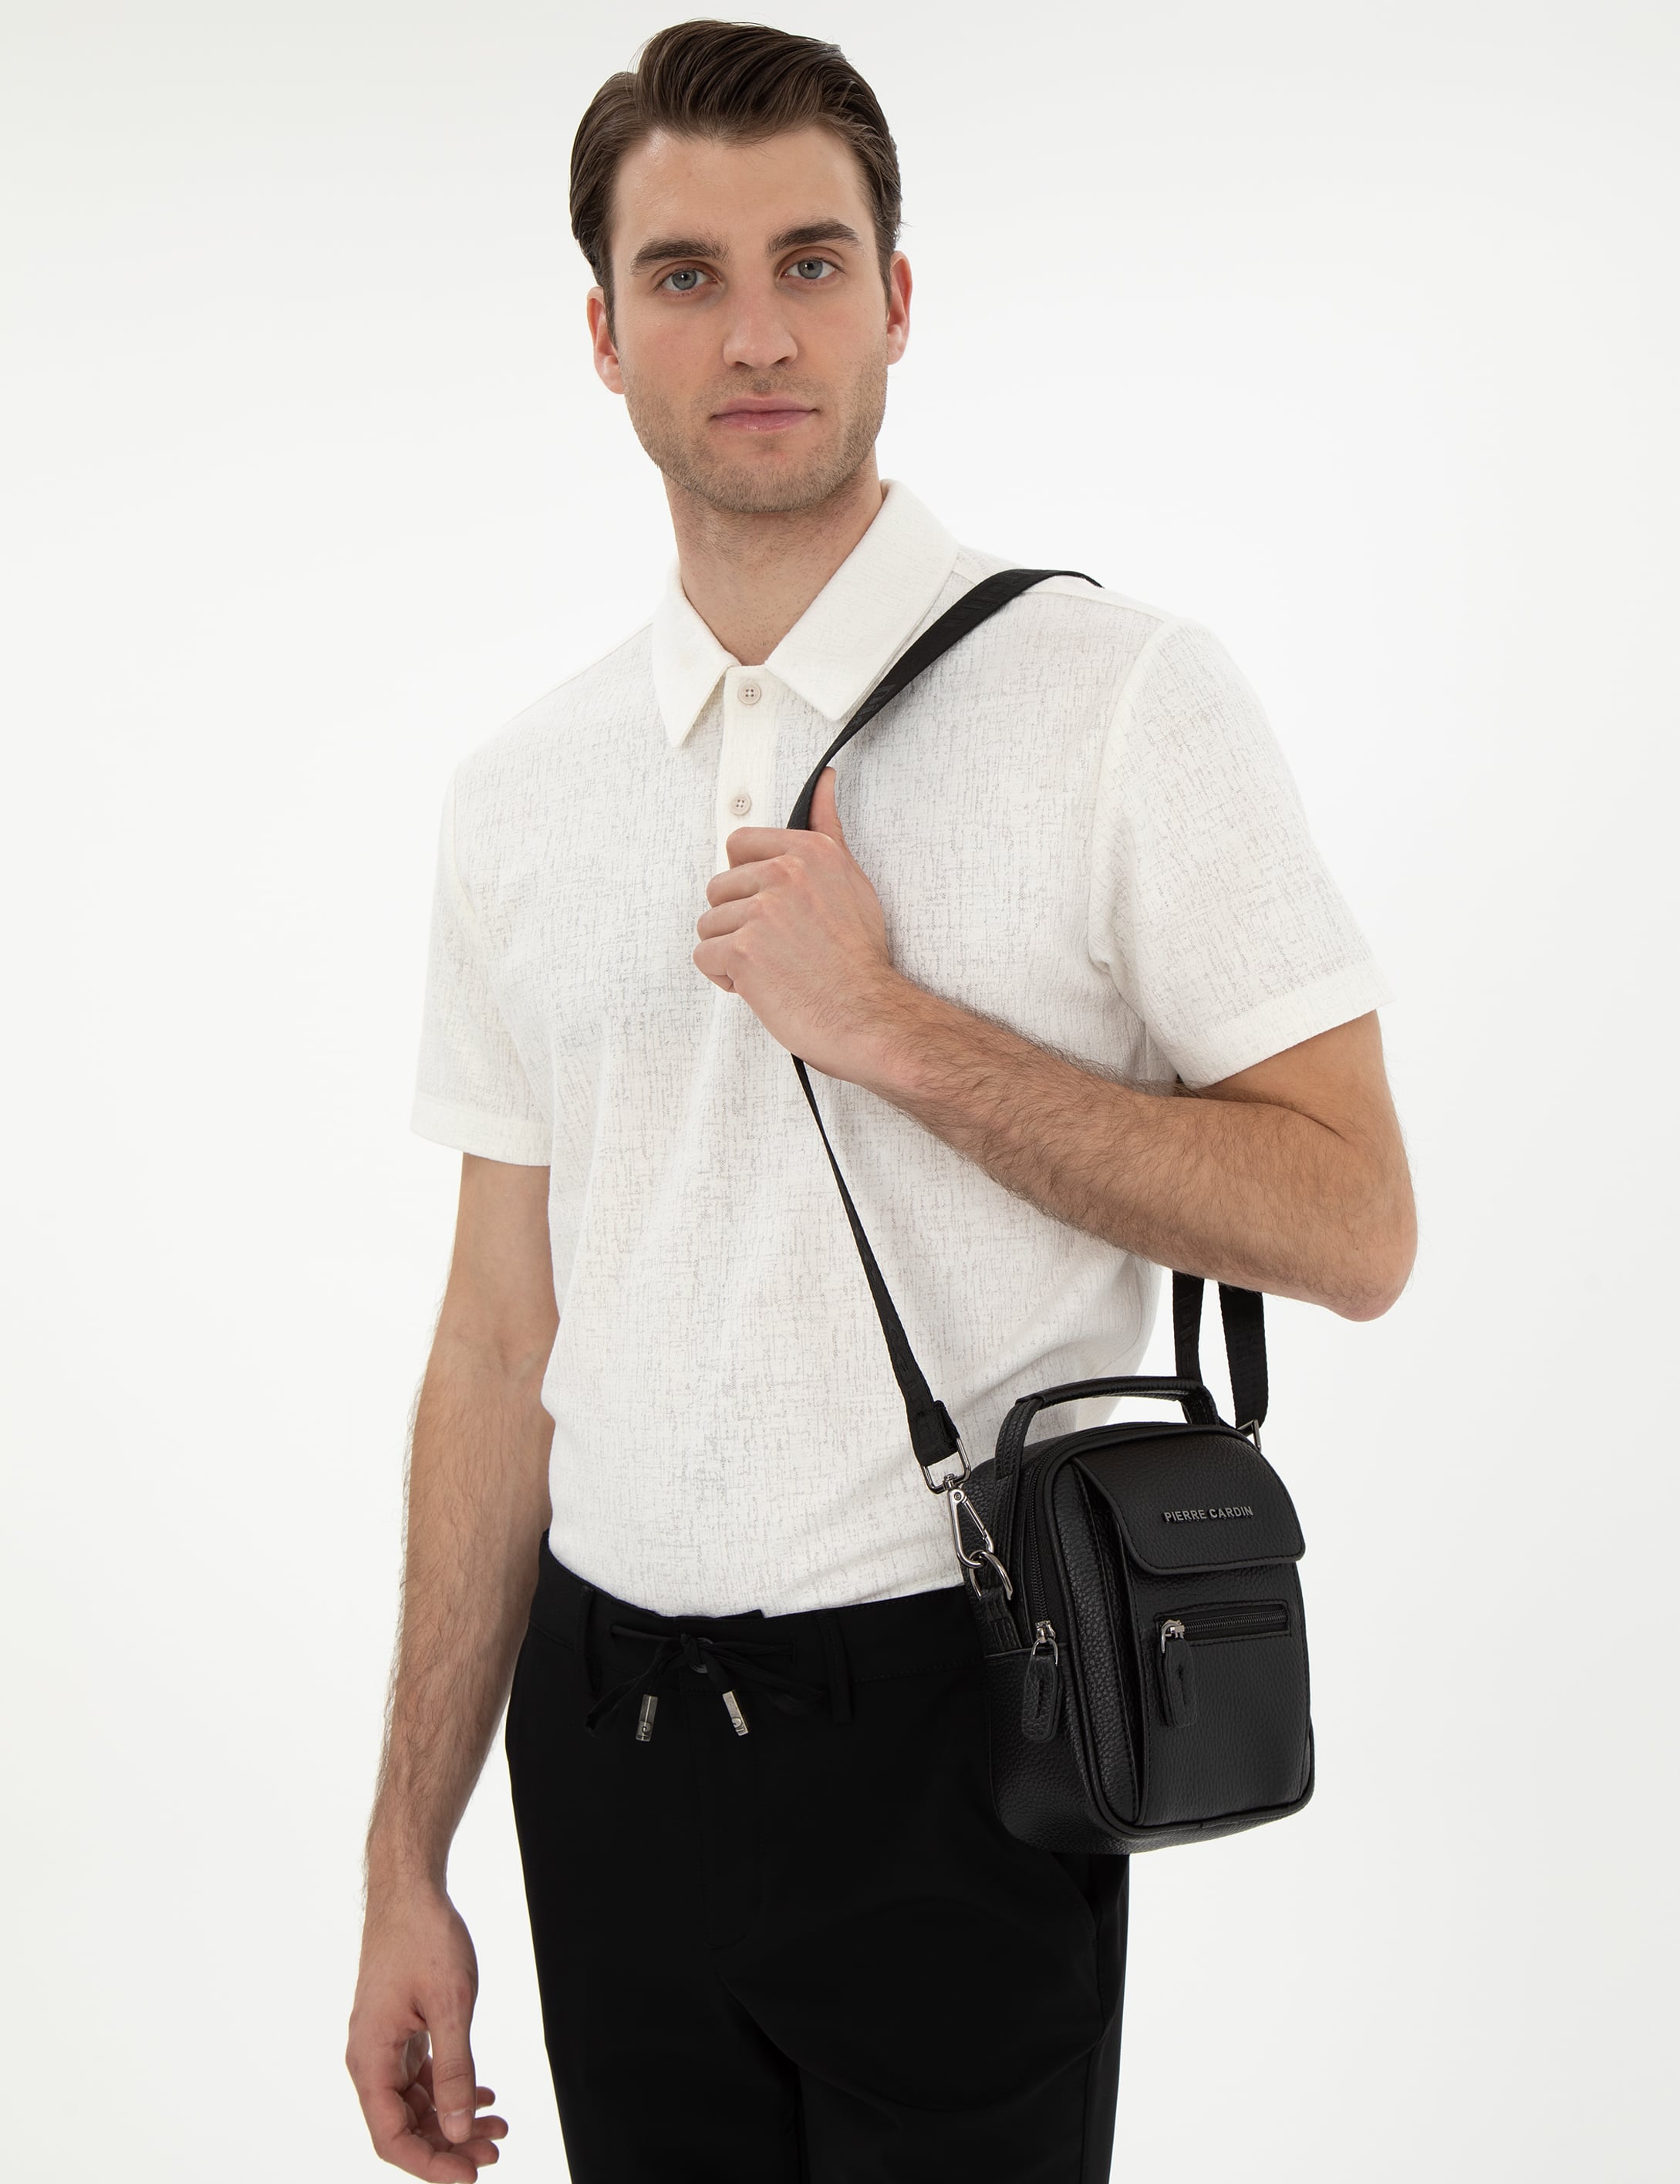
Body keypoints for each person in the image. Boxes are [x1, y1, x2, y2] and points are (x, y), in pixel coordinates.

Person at [344, 19, 1416, 2183]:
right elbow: (493, 1339)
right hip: (602, 1738)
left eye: (811, 263)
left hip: (963, 1730)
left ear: (897, 300)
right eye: (685, 275)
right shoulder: (521, 794)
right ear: (602, 333)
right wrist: (403, 1860)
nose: (757, 334)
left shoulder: (1120, 701)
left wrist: (894, 1027)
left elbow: (1352, 1224)